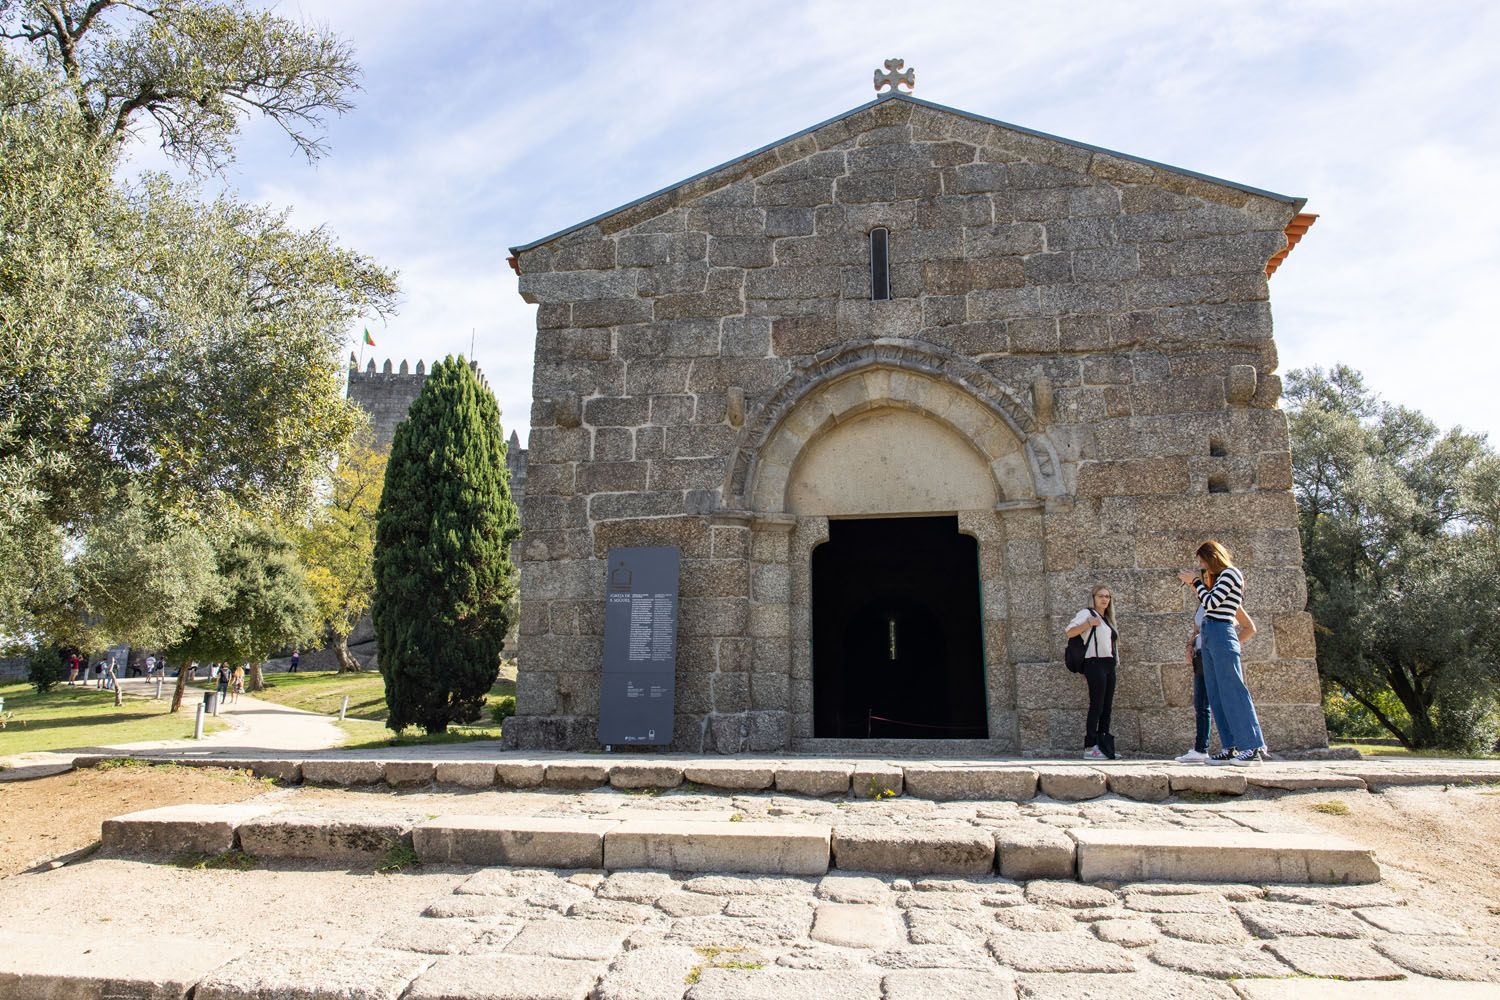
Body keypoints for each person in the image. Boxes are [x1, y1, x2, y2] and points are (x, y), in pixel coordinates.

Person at [1178, 540, 1268, 766]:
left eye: (1204, 561)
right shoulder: (1218, 579)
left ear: (1213, 557)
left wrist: (1196, 582)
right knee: (1216, 693)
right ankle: (1231, 746)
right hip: (1209, 633)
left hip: (1221, 630)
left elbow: (1211, 602)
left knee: (1233, 689)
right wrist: (1199, 584)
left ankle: (1252, 746)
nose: (1203, 566)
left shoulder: (1230, 574)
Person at [1176, 604, 1257, 764]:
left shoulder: (1226, 602)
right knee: (1201, 704)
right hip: (1201, 658)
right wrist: (1190, 646)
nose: (1204, 579)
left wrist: (1228, 645)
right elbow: (1197, 632)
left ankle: (1241, 747)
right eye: (1203, 577)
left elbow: (1250, 627)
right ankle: (1203, 749)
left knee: (1226, 700)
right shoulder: (1202, 604)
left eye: (1207, 577)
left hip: (1217, 656)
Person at [1065, 585, 1118, 760]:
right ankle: (1090, 746)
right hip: (1094, 662)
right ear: (1093, 597)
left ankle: (1104, 746)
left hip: (1108, 663)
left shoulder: (1107, 619)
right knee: (1097, 705)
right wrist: (1088, 624)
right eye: (1101, 596)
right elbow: (1069, 631)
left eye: (1108, 597)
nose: (1104, 599)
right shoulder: (1087, 614)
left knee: (1107, 706)